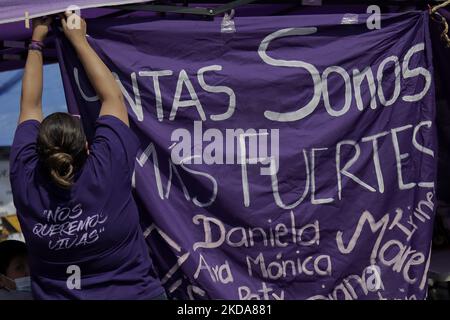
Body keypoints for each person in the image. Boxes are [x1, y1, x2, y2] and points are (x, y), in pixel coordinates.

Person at [9, 13, 166, 299]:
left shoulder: (25, 179)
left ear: (39, 152)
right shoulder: (105, 169)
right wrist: (78, 40)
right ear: (87, 147)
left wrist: (36, 42)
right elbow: (113, 98)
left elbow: (29, 108)